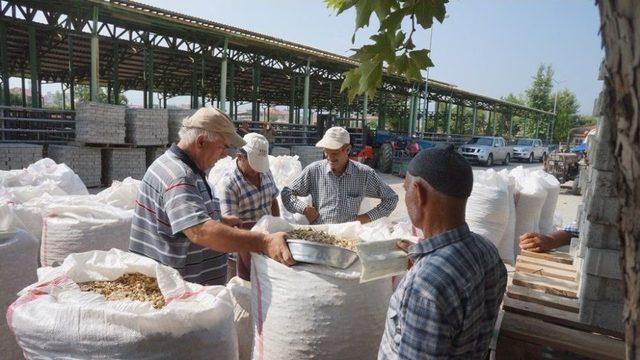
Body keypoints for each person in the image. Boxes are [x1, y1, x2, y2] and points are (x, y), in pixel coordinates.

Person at [129, 107, 294, 286]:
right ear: (201, 142)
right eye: (222, 147)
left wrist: (219, 220)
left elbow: (182, 221)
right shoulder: (180, 176)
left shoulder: (181, 167)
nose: (224, 154)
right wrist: (264, 242)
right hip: (180, 291)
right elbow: (201, 232)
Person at [378, 145, 507, 359]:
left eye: (406, 188)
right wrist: (423, 262)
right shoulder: (488, 252)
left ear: (418, 193)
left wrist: (425, 272)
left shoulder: (426, 287)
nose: (406, 197)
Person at [281, 126, 398, 224]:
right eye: (326, 152)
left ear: (347, 150)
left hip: (347, 236)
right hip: (321, 233)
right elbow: (287, 193)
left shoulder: (364, 174)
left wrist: (365, 218)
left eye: (335, 153)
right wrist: (305, 209)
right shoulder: (314, 171)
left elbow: (391, 198)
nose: (329, 158)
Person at [218, 133, 280, 281]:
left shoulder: (265, 172)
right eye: (254, 165)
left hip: (266, 247)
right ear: (240, 157)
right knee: (243, 292)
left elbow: (273, 201)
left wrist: (277, 226)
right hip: (241, 252)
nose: (257, 170)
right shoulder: (229, 185)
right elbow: (231, 228)